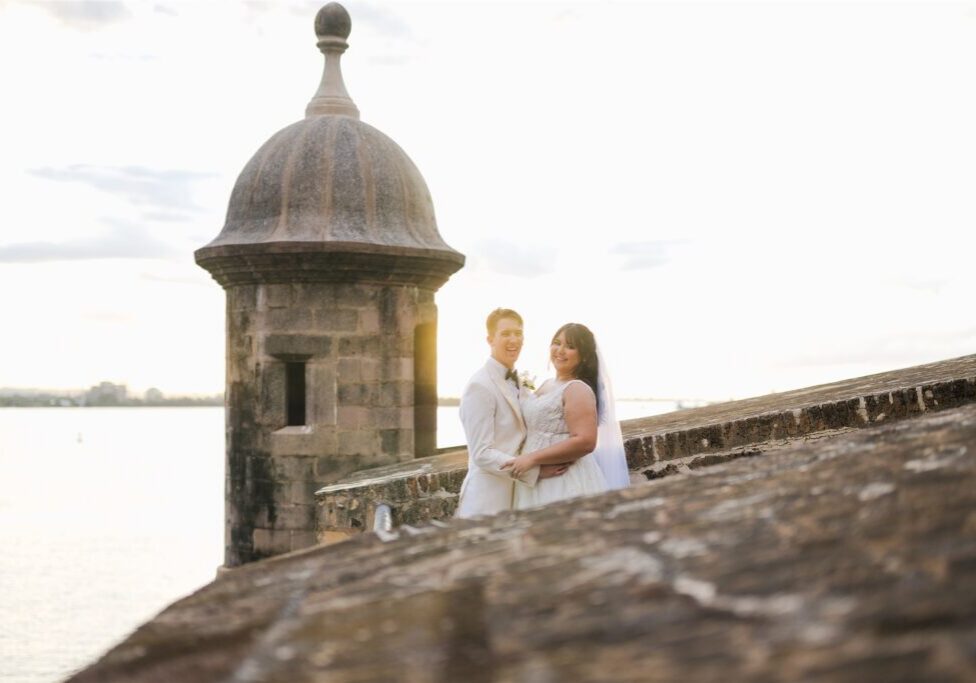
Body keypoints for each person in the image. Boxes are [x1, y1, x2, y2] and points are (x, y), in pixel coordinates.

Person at [503, 322, 630, 509]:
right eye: (557, 343)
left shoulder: (577, 389)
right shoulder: (547, 384)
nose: (560, 350)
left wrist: (531, 459)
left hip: (563, 479)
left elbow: (585, 441)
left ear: (584, 356)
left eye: (570, 347)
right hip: (536, 476)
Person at [455, 308, 568, 518]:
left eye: (518, 333)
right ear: (490, 339)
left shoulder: (518, 380)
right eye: (505, 334)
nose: (513, 340)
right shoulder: (479, 386)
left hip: (519, 495)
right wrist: (534, 470)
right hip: (488, 498)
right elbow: (481, 453)